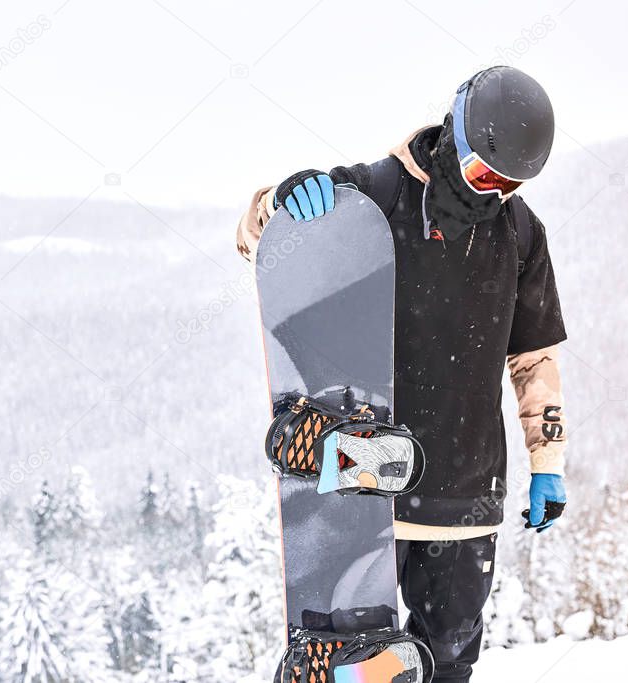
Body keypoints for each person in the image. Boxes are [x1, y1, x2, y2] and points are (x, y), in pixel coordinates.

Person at [237, 66, 568, 682]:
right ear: (459, 135)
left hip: (470, 493)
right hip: (369, 487)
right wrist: (274, 203)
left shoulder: (521, 233)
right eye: (483, 175)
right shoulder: (376, 195)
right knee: (353, 661)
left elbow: (534, 357)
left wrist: (547, 462)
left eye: (509, 184)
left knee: (448, 663)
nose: (493, 193)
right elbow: (264, 240)